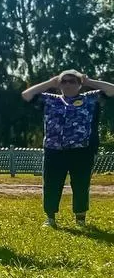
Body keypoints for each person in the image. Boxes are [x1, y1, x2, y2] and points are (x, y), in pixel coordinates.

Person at [22, 70, 114, 227]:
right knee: (51, 184)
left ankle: (80, 219)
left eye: (72, 81)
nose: (68, 84)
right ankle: (50, 218)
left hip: (81, 150)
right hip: (54, 150)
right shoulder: (50, 99)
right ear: (59, 84)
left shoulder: (90, 98)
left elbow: (111, 90)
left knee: (81, 184)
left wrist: (89, 81)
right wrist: (50, 83)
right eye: (64, 81)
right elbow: (26, 95)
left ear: (79, 84)